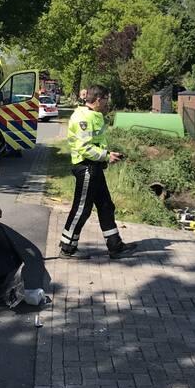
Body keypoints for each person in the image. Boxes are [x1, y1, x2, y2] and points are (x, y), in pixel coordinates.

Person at [59, 84, 135, 260]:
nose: (108, 103)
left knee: (106, 205)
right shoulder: (82, 118)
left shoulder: (95, 115)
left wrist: (107, 155)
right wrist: (106, 156)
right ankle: (67, 248)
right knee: (82, 209)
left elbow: (96, 143)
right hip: (86, 167)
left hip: (95, 167)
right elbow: (84, 147)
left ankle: (115, 246)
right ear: (99, 99)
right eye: (107, 100)